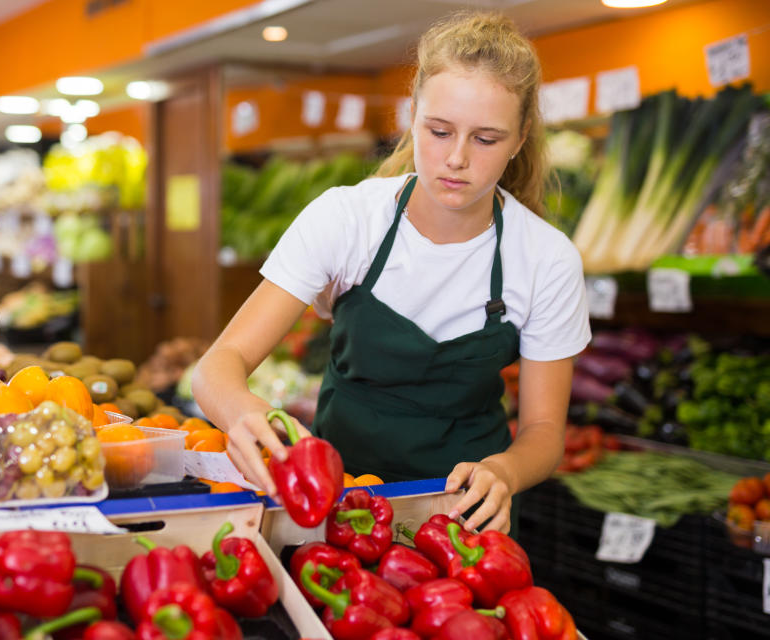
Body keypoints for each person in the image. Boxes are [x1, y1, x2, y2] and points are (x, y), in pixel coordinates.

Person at [192, 10, 590, 535]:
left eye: (487, 139)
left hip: (462, 520)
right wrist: (241, 408)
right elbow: (219, 364)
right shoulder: (347, 219)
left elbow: (543, 430)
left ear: (520, 140)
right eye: (439, 130)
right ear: (412, 118)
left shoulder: (546, 258)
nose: (456, 158)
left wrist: (504, 470)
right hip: (336, 505)